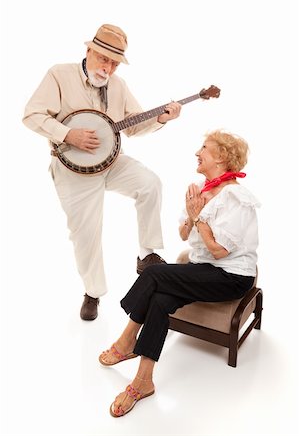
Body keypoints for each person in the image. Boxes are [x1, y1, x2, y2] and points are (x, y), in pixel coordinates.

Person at [22, 23, 181, 320]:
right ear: (89, 50)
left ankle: (148, 255)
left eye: (114, 63)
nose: (108, 67)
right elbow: (31, 115)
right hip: (73, 171)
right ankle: (93, 292)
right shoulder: (59, 75)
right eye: (103, 58)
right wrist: (67, 135)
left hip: (112, 163)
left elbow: (132, 125)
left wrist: (161, 118)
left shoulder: (118, 86)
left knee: (150, 183)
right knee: (86, 235)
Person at [98, 129, 260, 417]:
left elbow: (218, 251)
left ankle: (126, 340)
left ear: (222, 157)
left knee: (153, 273)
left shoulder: (236, 197)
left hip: (231, 277)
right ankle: (143, 381)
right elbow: (184, 235)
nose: (197, 153)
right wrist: (191, 216)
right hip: (202, 269)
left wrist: (197, 217)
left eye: (204, 148)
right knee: (160, 299)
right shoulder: (200, 188)